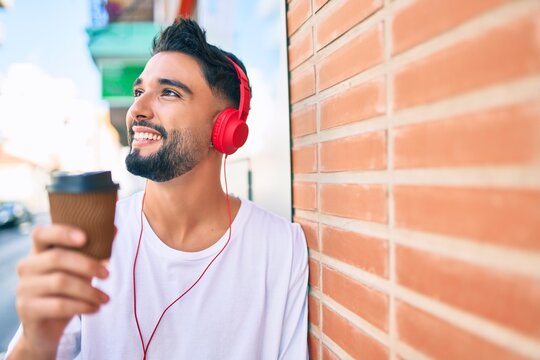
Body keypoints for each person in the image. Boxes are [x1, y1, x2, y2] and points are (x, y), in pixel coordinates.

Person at [6, 18, 309, 359]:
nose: (137, 109)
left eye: (169, 92)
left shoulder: (282, 248)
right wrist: (35, 342)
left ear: (225, 128)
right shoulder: (91, 239)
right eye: (139, 92)